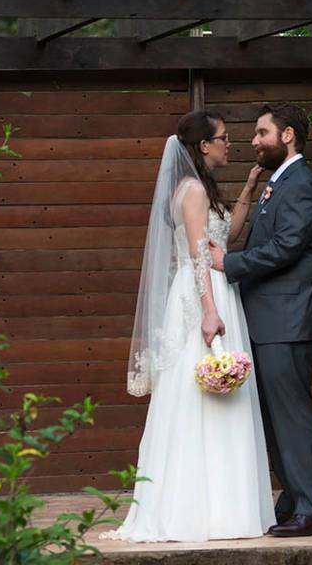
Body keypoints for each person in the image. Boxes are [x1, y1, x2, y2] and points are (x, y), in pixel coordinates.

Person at [104, 110, 275, 542]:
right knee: (199, 394)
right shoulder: (193, 190)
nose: (229, 144)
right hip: (204, 296)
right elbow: (199, 255)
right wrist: (209, 310)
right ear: (204, 145)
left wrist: (249, 190)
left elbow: (225, 238)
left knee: (218, 394)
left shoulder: (200, 190)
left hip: (214, 289)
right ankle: (202, 508)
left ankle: (223, 505)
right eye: (223, 138)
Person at [209, 102, 312, 538]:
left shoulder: (301, 184)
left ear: (287, 137)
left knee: (291, 414)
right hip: (272, 319)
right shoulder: (278, 183)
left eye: (261, 132)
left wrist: (229, 263)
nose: (253, 141)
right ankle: (294, 499)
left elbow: (285, 249)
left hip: (290, 318)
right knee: (273, 415)